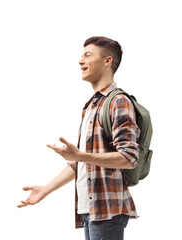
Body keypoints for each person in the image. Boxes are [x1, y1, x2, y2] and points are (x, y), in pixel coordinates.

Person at [18, 36, 140, 240]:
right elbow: (81, 162)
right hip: (90, 210)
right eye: (81, 55)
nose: (80, 61)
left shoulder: (118, 101)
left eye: (87, 55)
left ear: (107, 61)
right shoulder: (91, 105)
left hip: (108, 211)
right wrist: (45, 190)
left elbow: (129, 158)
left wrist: (82, 156)